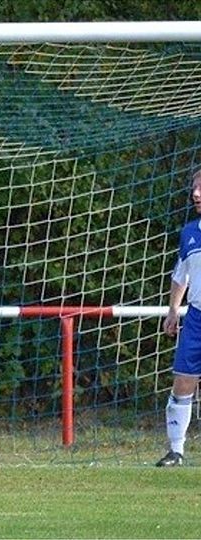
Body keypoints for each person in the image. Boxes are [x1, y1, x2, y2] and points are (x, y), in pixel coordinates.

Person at [156, 170, 201, 467]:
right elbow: (180, 274)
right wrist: (173, 308)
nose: (196, 193)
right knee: (183, 382)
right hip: (197, 318)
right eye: (195, 188)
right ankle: (176, 451)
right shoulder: (189, 232)